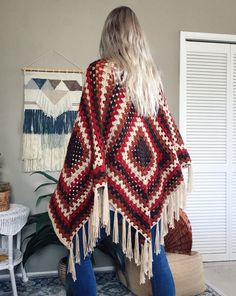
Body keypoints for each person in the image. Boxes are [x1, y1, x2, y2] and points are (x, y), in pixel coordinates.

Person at [48, 6, 192, 296]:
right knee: (156, 253)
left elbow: (86, 134)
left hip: (107, 191)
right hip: (145, 191)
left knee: (79, 249)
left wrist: (77, 177)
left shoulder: (98, 72)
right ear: (136, 35)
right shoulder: (151, 79)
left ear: (109, 34)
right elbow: (164, 136)